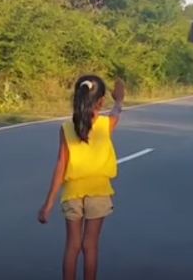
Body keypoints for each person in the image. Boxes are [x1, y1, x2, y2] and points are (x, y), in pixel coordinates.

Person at [38, 75, 125, 280]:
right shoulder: (106, 124)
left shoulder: (67, 128)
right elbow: (116, 110)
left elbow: (61, 165)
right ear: (101, 101)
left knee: (72, 246)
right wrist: (120, 99)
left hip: (72, 193)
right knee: (90, 245)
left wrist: (48, 204)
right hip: (99, 191)